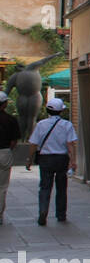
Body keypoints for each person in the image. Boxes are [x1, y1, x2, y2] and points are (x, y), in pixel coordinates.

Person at [26, 98, 77, 226]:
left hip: (45, 159)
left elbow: (33, 144)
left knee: (44, 187)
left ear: (47, 110)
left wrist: (29, 159)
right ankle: (61, 214)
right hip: (61, 159)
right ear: (61, 111)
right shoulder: (67, 125)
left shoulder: (41, 124)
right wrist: (73, 160)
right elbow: (70, 144)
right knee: (61, 188)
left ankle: (43, 211)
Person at [0, 91, 21, 225]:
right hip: (4, 152)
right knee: (2, 186)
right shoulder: (11, 119)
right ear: (5, 104)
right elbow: (14, 141)